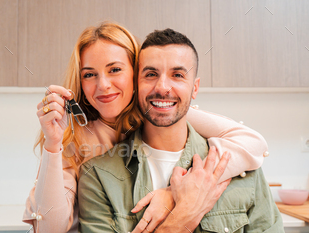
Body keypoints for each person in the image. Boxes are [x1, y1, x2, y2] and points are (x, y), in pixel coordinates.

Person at [22, 22, 269, 233]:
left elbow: (254, 142)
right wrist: (53, 145)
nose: (103, 85)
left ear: (136, 74)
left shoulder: (159, 110)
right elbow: (49, 228)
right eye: (89, 74)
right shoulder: (75, 139)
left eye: (115, 69)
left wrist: (174, 192)